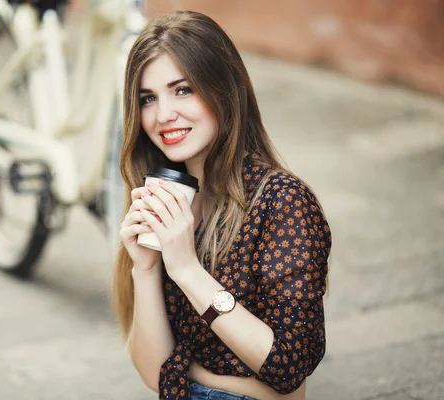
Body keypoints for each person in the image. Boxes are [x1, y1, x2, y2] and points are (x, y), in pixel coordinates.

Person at [112, 10, 331, 400]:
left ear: (224, 89)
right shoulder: (166, 196)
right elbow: (153, 374)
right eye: (148, 98)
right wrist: (145, 271)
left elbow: (287, 368)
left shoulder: (283, 202)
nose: (163, 115)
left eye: (182, 90)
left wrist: (186, 270)